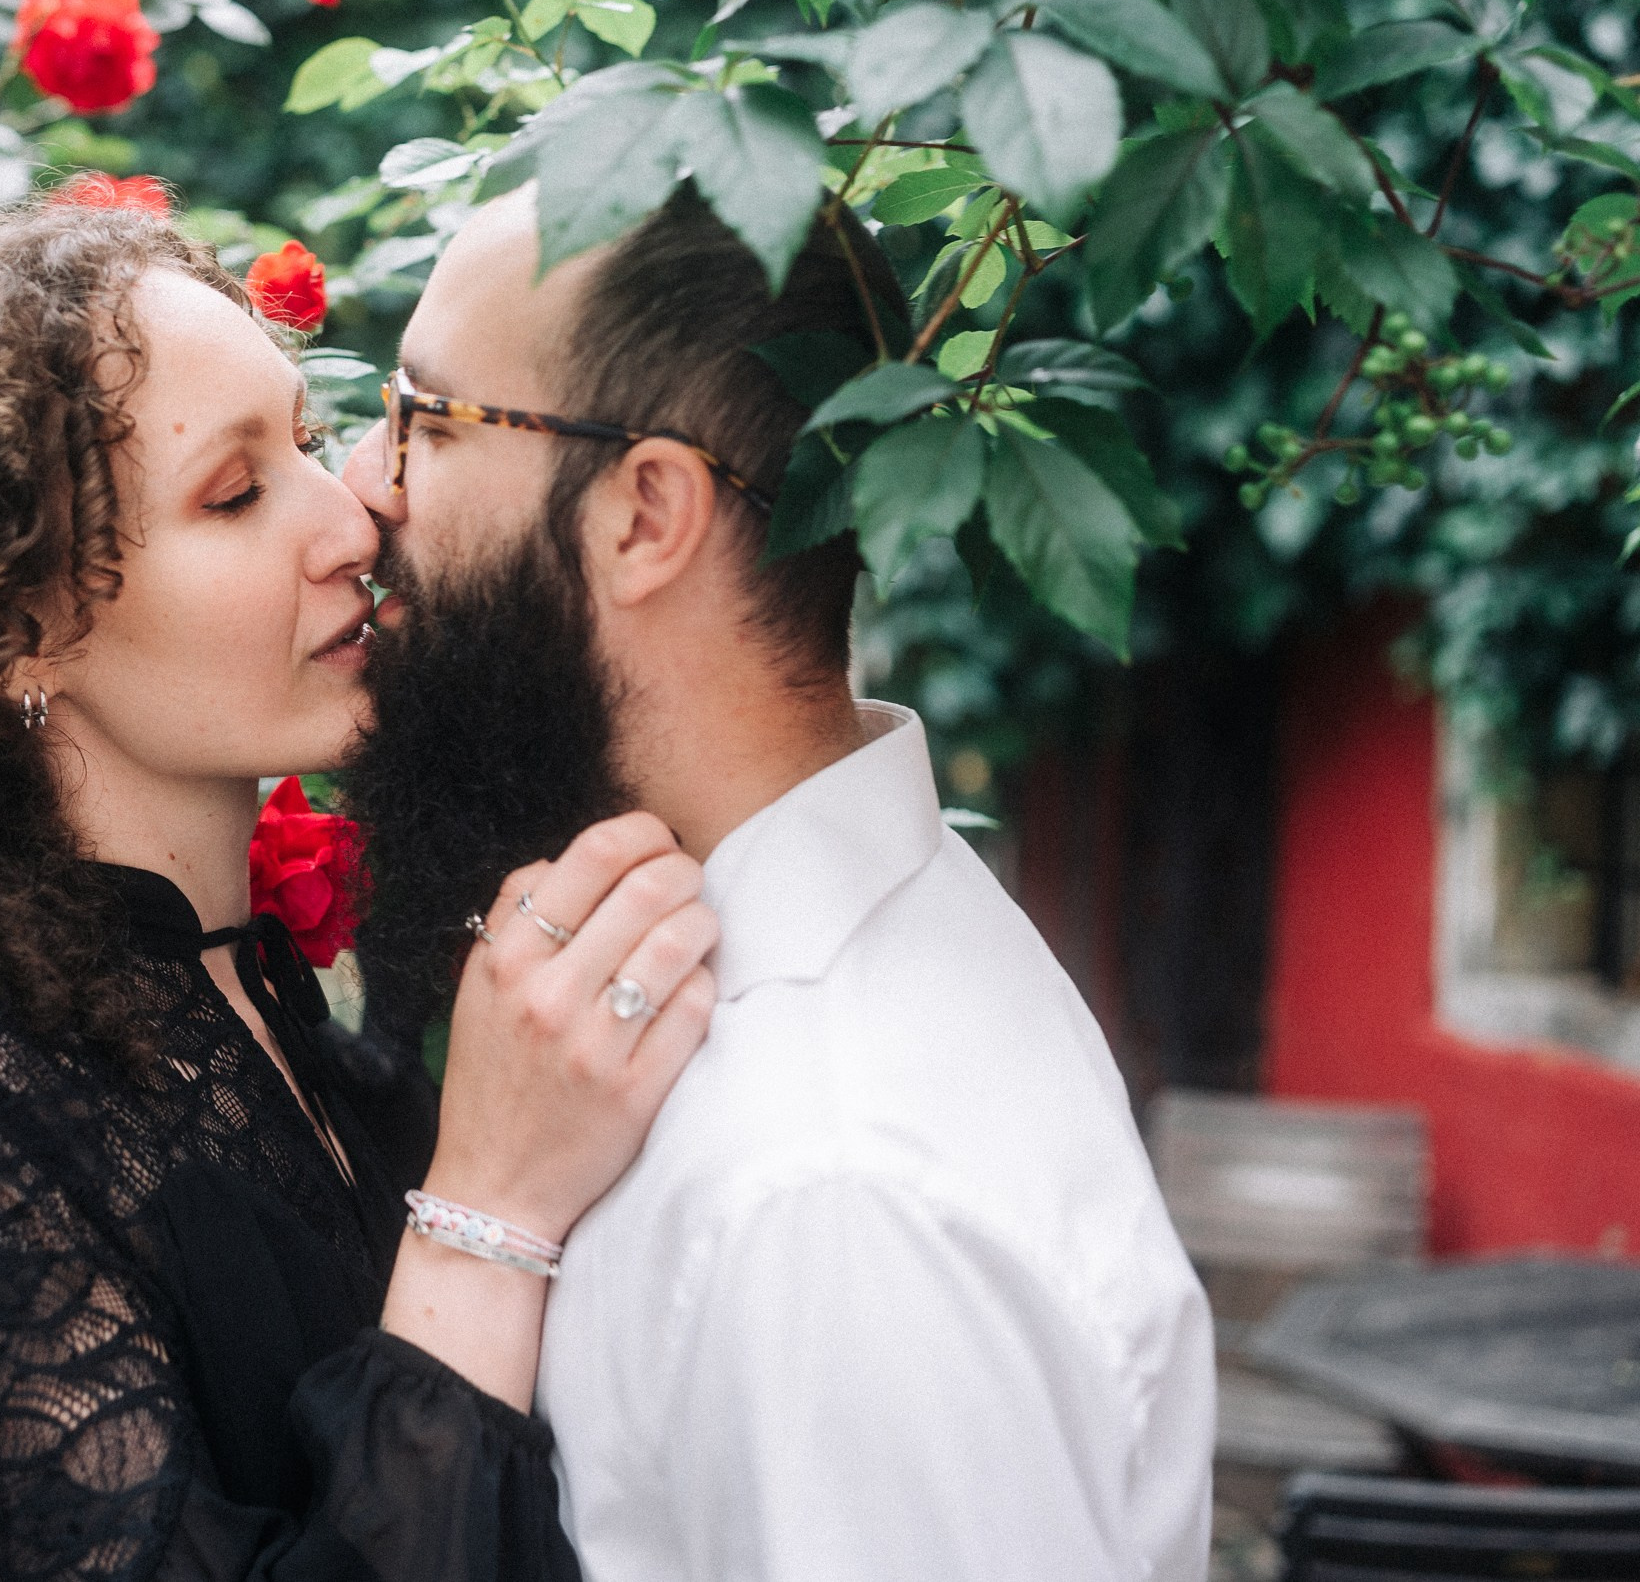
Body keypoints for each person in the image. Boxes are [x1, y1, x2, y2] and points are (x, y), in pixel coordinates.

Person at [0, 203, 721, 1582]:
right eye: (234, 494)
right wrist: (485, 1214)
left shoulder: (256, 987)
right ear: (4, 633)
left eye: (307, 439)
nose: (352, 520)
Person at [338, 185, 1218, 1582]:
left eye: (428, 423)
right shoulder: (791, 988)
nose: (363, 483)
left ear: (644, 515)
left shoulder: (831, 1196)